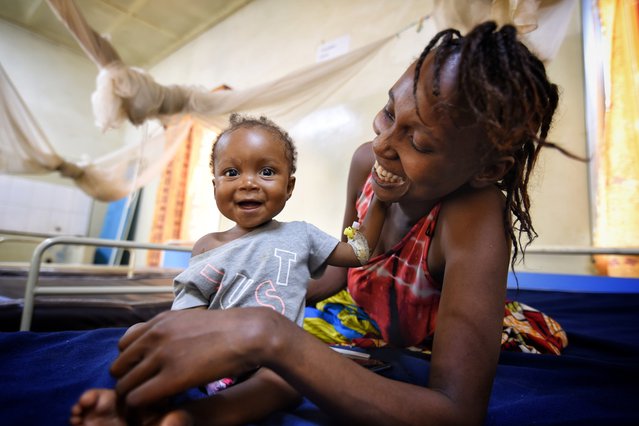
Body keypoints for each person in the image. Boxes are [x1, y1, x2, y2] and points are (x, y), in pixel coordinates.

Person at [72, 21, 573, 425]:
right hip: (360, 316)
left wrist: (271, 333)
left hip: (426, 336)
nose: (382, 144)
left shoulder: (475, 217)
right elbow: (342, 271)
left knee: (293, 359)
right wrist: (245, 289)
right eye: (386, 113)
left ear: (485, 169)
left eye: (419, 143)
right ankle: (172, 414)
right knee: (281, 363)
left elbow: (455, 410)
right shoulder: (366, 163)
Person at [70, 113, 388, 424]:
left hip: (274, 358)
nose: (248, 184)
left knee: (288, 384)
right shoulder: (209, 246)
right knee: (138, 334)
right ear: (215, 184)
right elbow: (188, 308)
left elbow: (358, 253)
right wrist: (186, 343)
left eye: (266, 171)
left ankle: (192, 418)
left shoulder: (302, 235)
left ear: (289, 187)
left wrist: (380, 202)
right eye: (232, 173)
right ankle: (127, 406)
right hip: (214, 350)